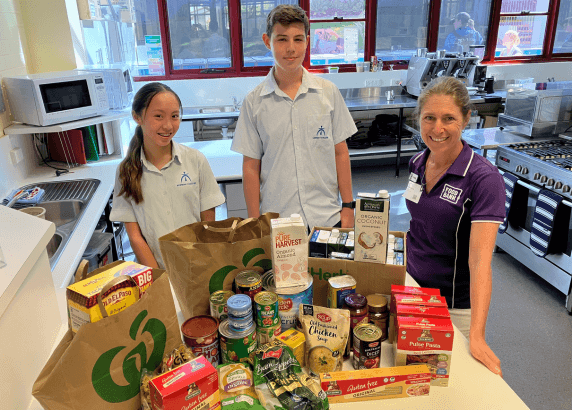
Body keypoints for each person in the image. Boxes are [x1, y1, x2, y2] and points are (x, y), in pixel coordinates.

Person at [404, 76, 505, 376]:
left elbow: (479, 262)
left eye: (449, 118)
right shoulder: (418, 163)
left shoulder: (483, 179)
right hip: (413, 291)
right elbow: (418, 227)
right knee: (414, 379)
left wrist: (477, 334)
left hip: (452, 306)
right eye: (429, 118)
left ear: (466, 118)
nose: (438, 129)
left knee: (445, 385)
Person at [231, 5, 357, 229]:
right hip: (279, 221)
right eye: (282, 39)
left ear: (307, 41)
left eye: (298, 39)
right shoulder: (254, 102)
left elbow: (340, 152)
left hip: (327, 216)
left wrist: (348, 206)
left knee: (328, 265)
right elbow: (251, 166)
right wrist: (254, 222)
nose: (291, 48)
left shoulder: (328, 93)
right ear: (267, 41)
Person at [110, 83, 226, 268]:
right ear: (137, 117)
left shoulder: (195, 160)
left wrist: (201, 265)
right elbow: (134, 236)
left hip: (197, 266)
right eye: (158, 116)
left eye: (174, 116)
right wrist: (160, 278)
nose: (168, 125)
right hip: (154, 270)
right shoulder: (126, 171)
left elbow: (208, 224)